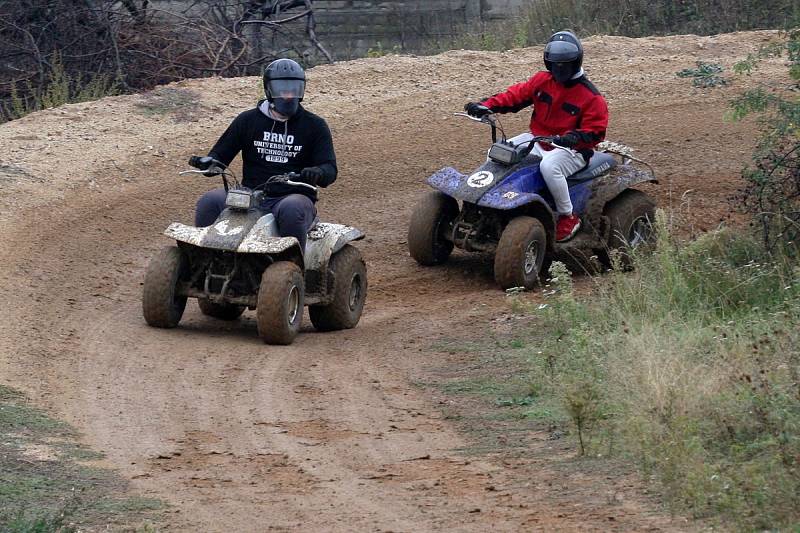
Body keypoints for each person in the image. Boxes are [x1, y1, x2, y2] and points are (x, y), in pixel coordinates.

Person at [464, 30, 608, 242]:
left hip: (572, 149)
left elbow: (595, 132)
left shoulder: (591, 97)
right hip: (538, 139)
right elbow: (515, 96)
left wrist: (572, 138)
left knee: (550, 167)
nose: (559, 69)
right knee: (496, 154)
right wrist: (486, 106)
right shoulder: (542, 81)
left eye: (565, 64)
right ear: (548, 63)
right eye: (555, 64)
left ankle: (568, 216)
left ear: (576, 62)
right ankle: (492, 203)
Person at [193, 58, 337, 251]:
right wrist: (209, 163)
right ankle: (202, 258)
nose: (288, 95)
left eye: (293, 88)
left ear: (301, 90)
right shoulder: (248, 120)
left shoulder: (315, 125)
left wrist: (318, 172)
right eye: (282, 89)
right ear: (269, 90)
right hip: (250, 194)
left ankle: (293, 269)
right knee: (210, 201)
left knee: (292, 209)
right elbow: (220, 156)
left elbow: (330, 169)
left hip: (291, 197)